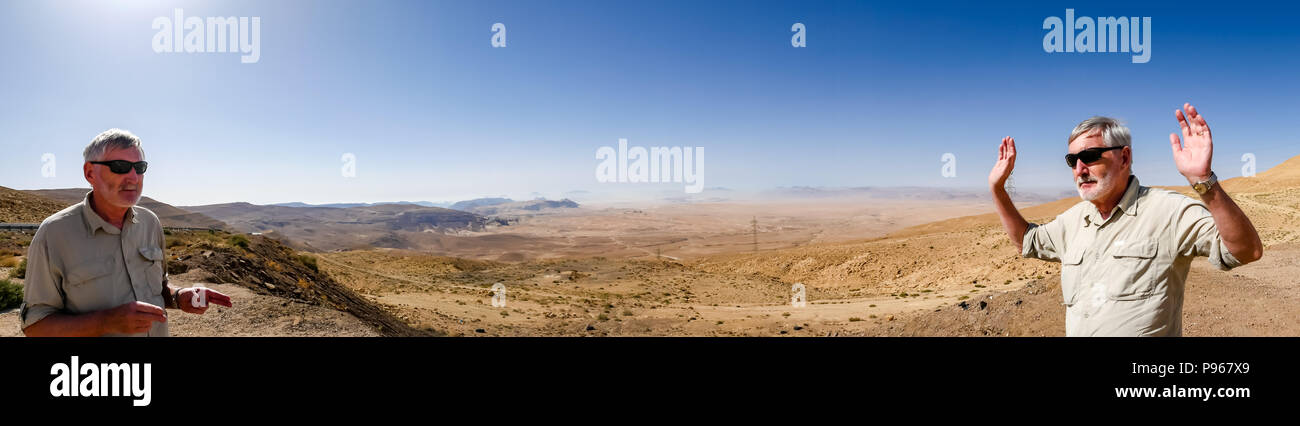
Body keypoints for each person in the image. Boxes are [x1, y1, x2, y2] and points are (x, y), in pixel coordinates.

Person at [987, 103, 1263, 336]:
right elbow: (1027, 241)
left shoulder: (1169, 211)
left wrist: (1204, 182)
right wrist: (998, 190)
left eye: (1090, 156)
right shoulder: (1073, 220)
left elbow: (1245, 250)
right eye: (1073, 160)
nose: (1080, 169)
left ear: (1125, 157)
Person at [21, 129, 233, 337]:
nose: (133, 177)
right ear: (90, 173)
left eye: (139, 167)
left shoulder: (150, 223)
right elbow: (35, 327)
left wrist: (178, 297)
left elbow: (158, 287)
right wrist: (106, 322)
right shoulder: (54, 234)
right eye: (119, 166)